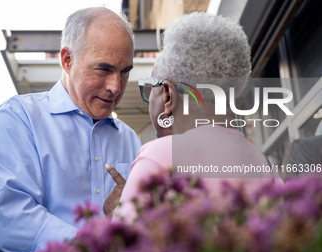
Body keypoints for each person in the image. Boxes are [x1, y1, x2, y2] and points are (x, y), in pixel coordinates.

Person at [0, 7, 141, 252]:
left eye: (125, 71)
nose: (115, 86)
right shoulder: (17, 119)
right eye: (103, 69)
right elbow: (8, 223)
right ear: (67, 60)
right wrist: (98, 246)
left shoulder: (130, 139)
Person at [113, 12, 280, 221]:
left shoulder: (159, 157)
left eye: (152, 89)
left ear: (167, 95)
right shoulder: (263, 164)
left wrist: (116, 214)